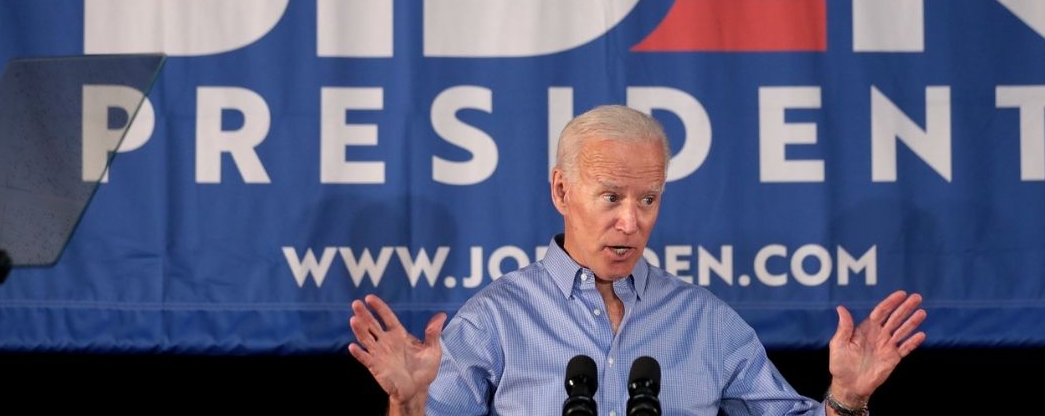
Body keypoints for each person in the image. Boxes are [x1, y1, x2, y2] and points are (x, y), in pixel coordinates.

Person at [349, 105, 926, 415]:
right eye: (612, 197)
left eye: (648, 199)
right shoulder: (496, 319)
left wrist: (847, 399)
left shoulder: (704, 321)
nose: (632, 221)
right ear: (561, 191)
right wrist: (408, 402)